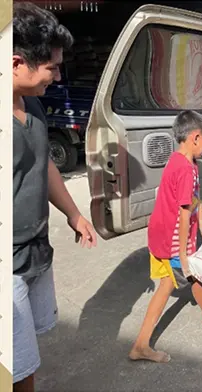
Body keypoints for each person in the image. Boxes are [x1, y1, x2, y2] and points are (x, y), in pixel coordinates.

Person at [12, 3, 98, 391]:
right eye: (52, 67)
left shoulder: (31, 105)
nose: (58, 75)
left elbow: (42, 161)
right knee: (14, 362)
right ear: (17, 63)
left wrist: (73, 213)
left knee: (24, 359)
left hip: (35, 250)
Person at [129, 110, 202, 364]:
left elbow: (195, 200)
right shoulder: (185, 169)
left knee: (189, 277)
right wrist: (182, 254)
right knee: (178, 281)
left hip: (165, 235)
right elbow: (183, 211)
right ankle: (141, 345)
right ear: (195, 137)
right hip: (171, 240)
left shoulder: (184, 161)